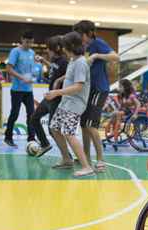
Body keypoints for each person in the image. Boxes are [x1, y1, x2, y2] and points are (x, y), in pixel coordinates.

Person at [45, 31, 94, 177]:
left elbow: (79, 86)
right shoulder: (73, 60)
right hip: (66, 102)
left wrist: (57, 92)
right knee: (54, 127)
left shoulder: (80, 62)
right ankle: (67, 159)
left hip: (75, 104)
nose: (63, 50)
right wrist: (61, 79)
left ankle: (86, 166)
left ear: (71, 46)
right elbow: (71, 75)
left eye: (65, 47)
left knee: (68, 133)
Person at [73, 20, 119, 172]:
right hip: (87, 90)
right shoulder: (83, 47)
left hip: (99, 89)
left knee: (91, 125)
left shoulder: (98, 43)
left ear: (90, 33)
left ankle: (100, 160)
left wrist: (97, 56)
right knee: (84, 125)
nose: (80, 38)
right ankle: (85, 156)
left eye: (82, 35)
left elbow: (115, 57)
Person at [30, 35, 68, 157]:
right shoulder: (55, 61)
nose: (48, 51)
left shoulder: (64, 61)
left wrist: (58, 82)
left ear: (56, 48)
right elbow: (54, 67)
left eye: (49, 49)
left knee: (53, 130)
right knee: (34, 119)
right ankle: (45, 144)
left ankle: (68, 157)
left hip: (57, 99)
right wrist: (43, 61)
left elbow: (70, 75)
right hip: (49, 98)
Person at [3, 31, 36, 147]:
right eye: (27, 42)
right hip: (17, 89)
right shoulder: (15, 51)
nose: (29, 45)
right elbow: (9, 69)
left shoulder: (32, 52)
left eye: (31, 42)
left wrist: (32, 77)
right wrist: (22, 78)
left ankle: (31, 138)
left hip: (29, 90)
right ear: (22, 39)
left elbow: (30, 69)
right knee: (15, 113)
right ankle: (8, 137)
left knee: (32, 114)